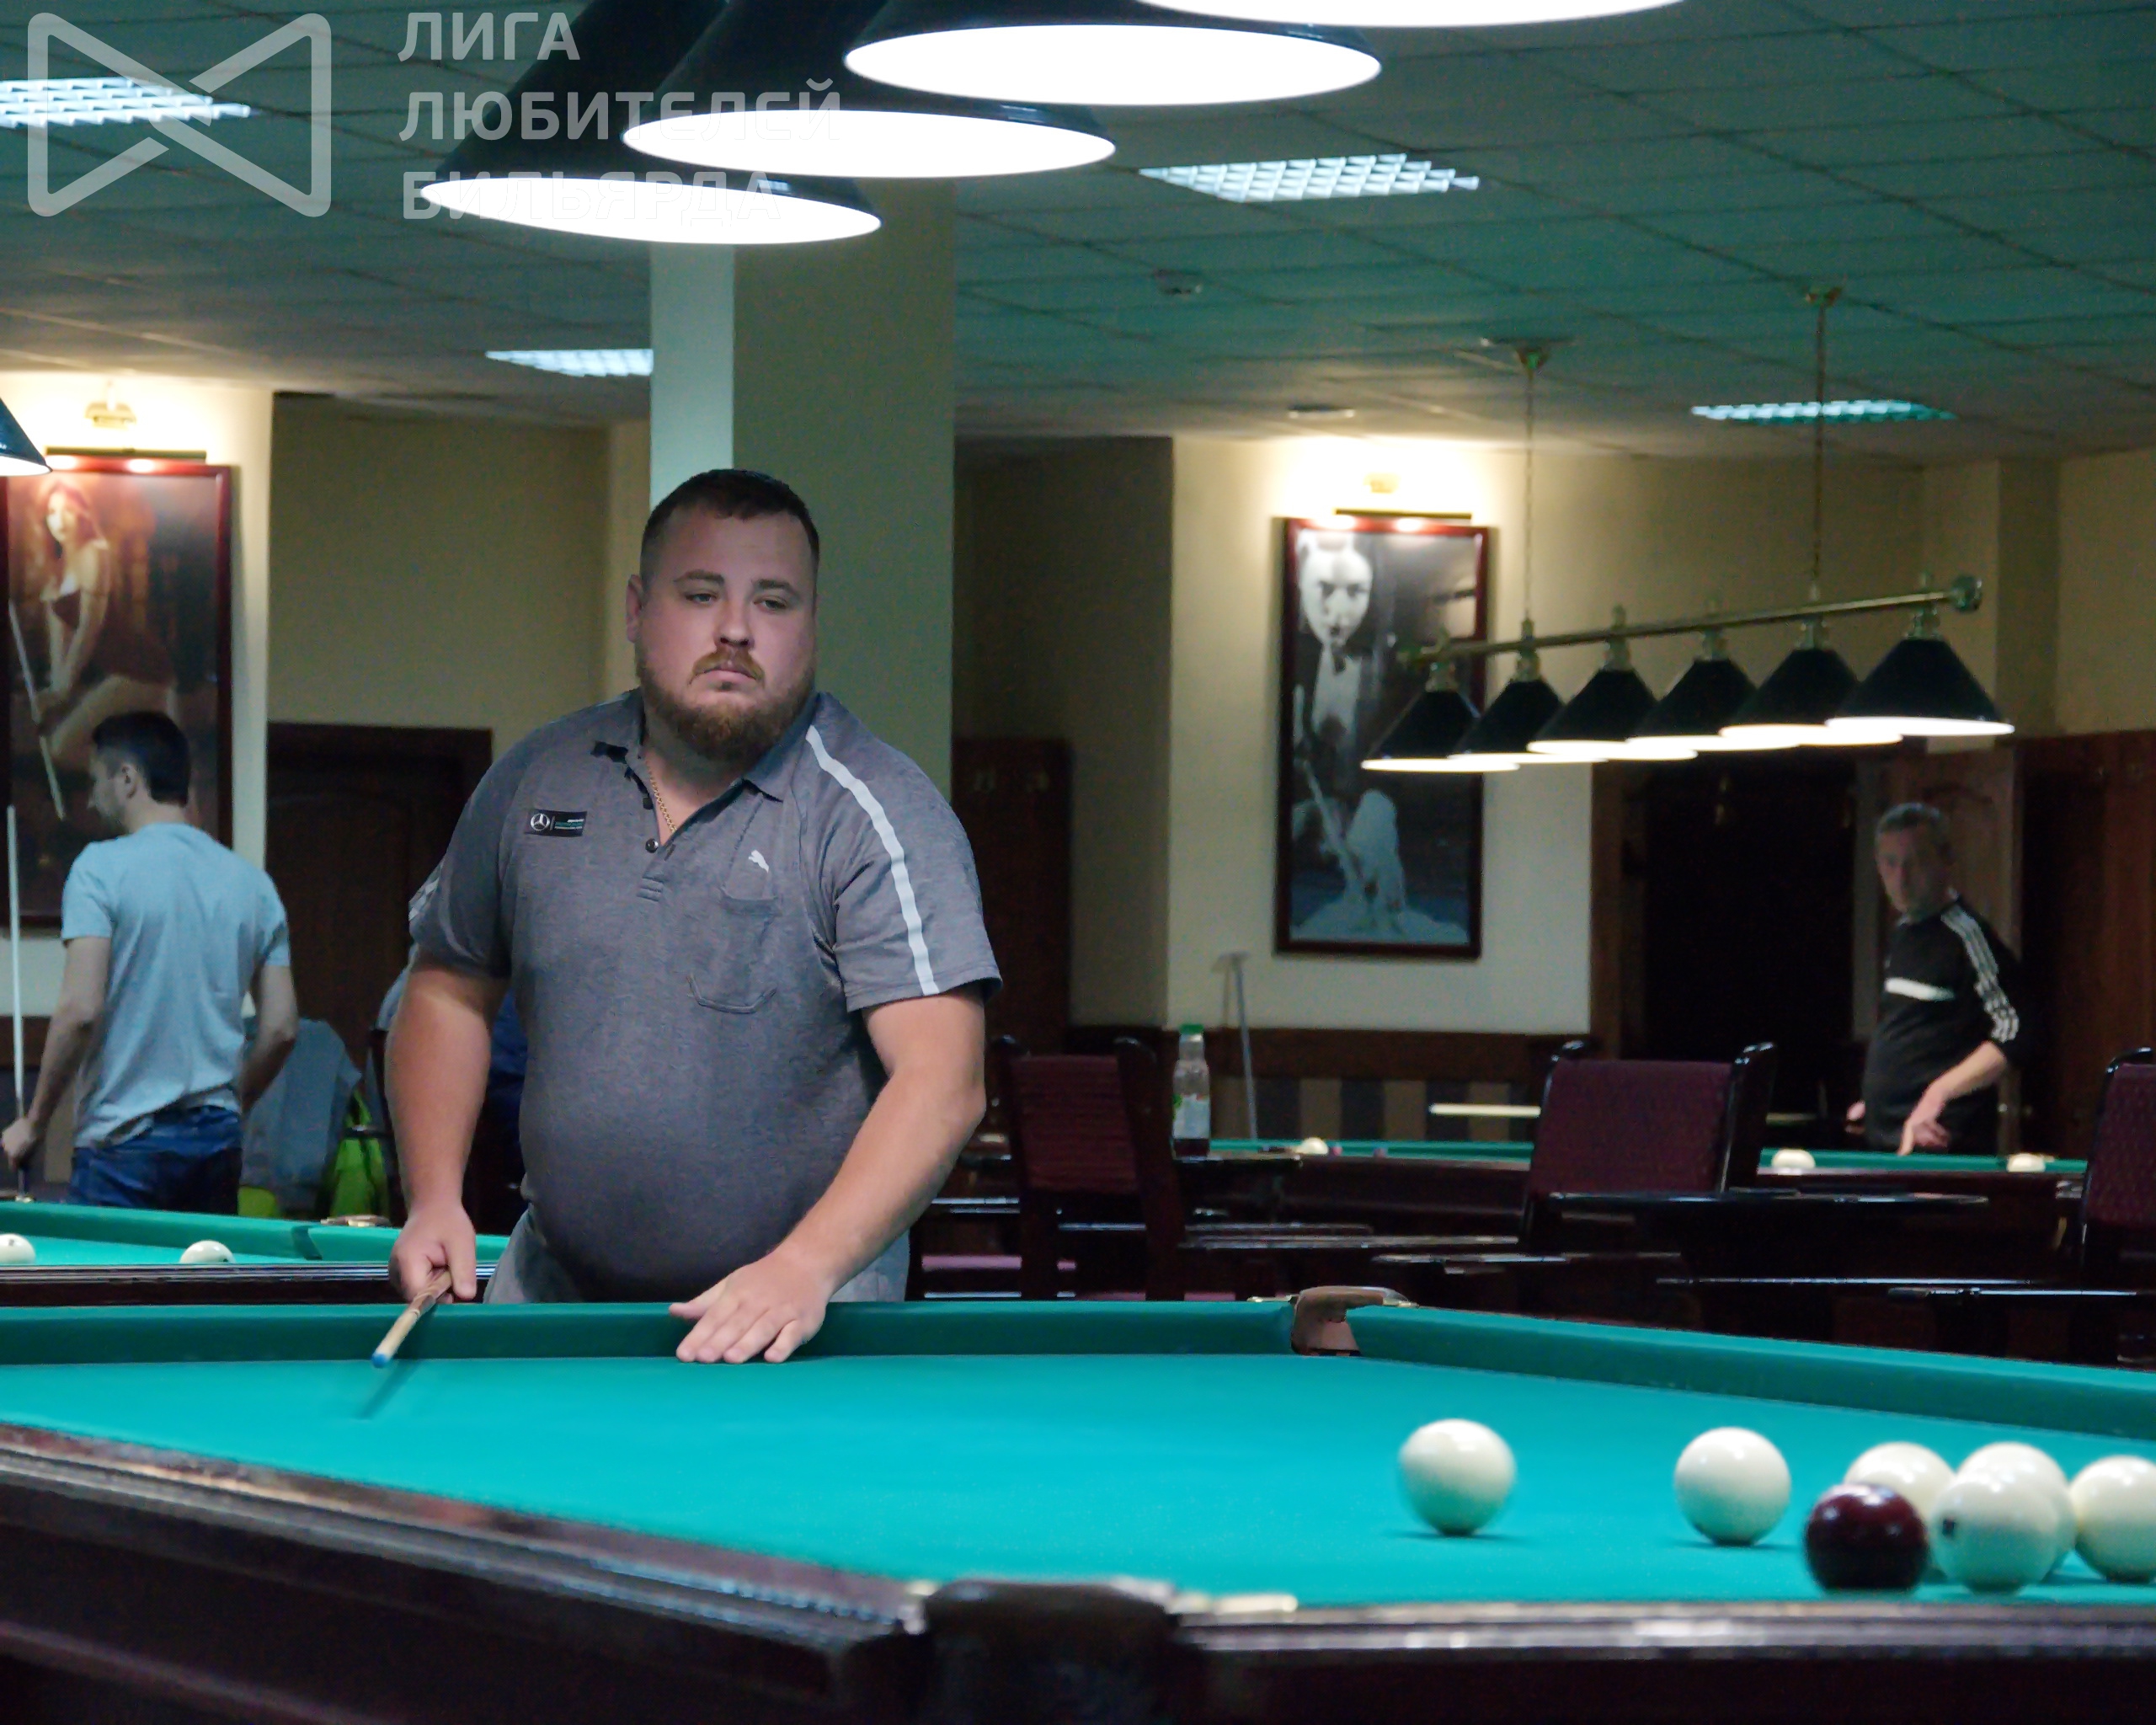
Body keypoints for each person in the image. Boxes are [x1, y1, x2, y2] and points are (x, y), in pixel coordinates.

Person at [388, 468, 998, 1364]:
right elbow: (449, 985)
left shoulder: (874, 812)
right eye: (701, 593)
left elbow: (943, 1079)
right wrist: (435, 1196)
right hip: (554, 1298)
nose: (735, 629)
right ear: (639, 609)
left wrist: (804, 1266)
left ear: (812, 623)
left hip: (795, 1320)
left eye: (774, 601)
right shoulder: (538, 780)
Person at [1, 712, 298, 1209]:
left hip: (123, 1145)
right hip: (216, 1145)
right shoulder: (253, 885)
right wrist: (233, 1102)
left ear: (127, 779)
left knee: (105, 1265)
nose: (91, 799)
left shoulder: (99, 870)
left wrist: (34, 1122)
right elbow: (282, 1028)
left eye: (96, 782)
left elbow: (81, 1011)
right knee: (198, 1265)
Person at [1849, 803, 2032, 1156]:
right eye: (1890, 862)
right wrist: (1875, 1101)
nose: (1901, 878)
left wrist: (1938, 1094)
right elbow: (1913, 1030)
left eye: (1915, 862)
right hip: (1889, 1138)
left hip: (1939, 1141)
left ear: (1946, 861)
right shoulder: (1904, 932)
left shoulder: (1967, 936)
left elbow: (2019, 1030)